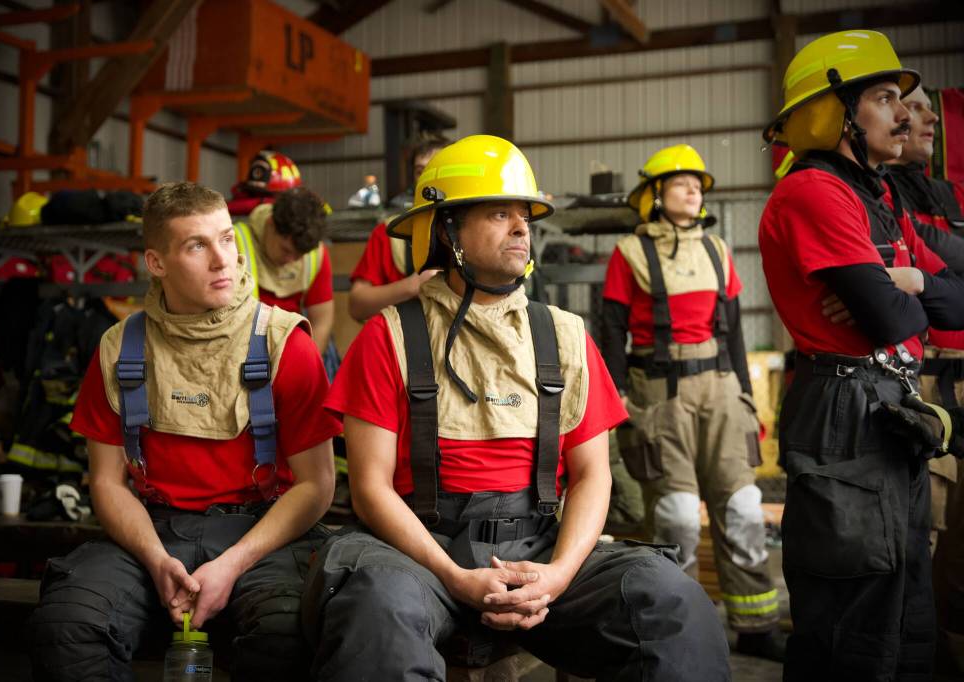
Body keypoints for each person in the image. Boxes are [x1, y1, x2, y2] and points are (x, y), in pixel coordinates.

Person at [302, 135, 730, 681]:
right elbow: (370, 488)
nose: (522, 228)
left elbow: (592, 474)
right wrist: (455, 576)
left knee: (673, 603)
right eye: (500, 213)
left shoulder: (564, 335)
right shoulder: (389, 336)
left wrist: (558, 574)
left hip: (541, 548)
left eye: (525, 215)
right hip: (421, 554)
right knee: (375, 612)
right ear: (447, 229)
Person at [29, 182, 341, 681]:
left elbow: (318, 484)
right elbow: (107, 482)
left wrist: (234, 564)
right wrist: (154, 559)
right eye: (197, 245)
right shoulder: (119, 348)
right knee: (69, 624)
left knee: (286, 634)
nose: (223, 261)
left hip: (261, 534)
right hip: (153, 531)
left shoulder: (284, 343)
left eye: (226, 239)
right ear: (156, 263)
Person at [759, 30, 964, 679]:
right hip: (845, 409)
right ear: (835, 113)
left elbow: (952, 307)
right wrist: (903, 299)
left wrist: (915, 288)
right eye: (883, 97)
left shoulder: (877, 203)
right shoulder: (813, 192)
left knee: (906, 609)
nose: (905, 114)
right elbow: (888, 317)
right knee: (854, 619)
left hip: (888, 402)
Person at [601, 143, 783, 660]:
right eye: (681, 183)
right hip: (659, 393)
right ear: (655, 195)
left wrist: (745, 393)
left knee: (745, 506)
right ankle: (685, 627)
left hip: (720, 386)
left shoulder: (717, 250)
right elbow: (611, 327)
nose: (694, 190)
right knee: (678, 516)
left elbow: (733, 326)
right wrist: (615, 394)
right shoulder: (629, 253)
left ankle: (757, 626)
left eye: (698, 184)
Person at [885, 85, 964, 552]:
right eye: (913, 107)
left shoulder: (945, 194)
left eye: (928, 107)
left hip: (957, 372)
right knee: (924, 534)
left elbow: (933, 267)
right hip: (922, 383)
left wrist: (919, 276)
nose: (928, 118)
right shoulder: (878, 195)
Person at [347, 136, 450, 322]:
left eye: (436, 168)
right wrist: (412, 286)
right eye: (420, 171)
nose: (427, 178)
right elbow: (356, 305)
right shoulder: (391, 233)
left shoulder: (476, 231)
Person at [234, 185, 334, 356]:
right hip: (242, 350)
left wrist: (307, 365)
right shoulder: (234, 243)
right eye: (286, 250)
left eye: (299, 255)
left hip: (292, 352)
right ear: (270, 224)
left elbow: (322, 321)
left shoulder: (316, 253)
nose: (290, 261)